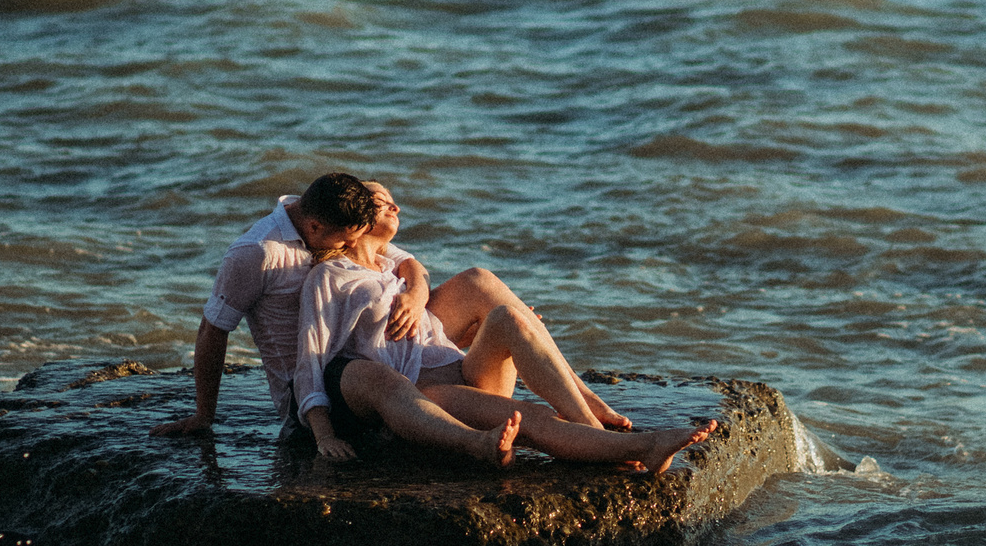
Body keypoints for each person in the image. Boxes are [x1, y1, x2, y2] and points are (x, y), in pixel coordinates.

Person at [154, 172, 630, 440]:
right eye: (347, 239)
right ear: (316, 230)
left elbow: (403, 261)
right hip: (333, 372)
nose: (355, 244)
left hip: (384, 339)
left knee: (480, 283)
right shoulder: (257, 255)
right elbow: (213, 329)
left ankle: (583, 398)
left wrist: (417, 294)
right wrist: (204, 417)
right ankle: (470, 412)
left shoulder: (342, 215)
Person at [295, 187, 714, 473]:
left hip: (462, 369)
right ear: (356, 220)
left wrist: (423, 296)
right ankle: (644, 446)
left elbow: (416, 278)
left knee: (510, 317)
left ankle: (588, 419)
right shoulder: (329, 277)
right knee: (529, 417)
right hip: (428, 395)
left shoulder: (393, 265)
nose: (394, 207)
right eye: (380, 201)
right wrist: (323, 433)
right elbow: (311, 357)